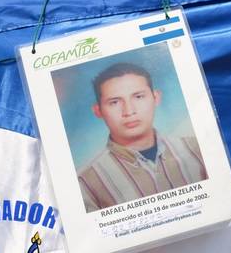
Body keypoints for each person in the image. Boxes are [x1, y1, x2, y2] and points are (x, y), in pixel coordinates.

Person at [78, 63, 207, 213]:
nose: (129, 111)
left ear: (156, 97)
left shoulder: (198, 149)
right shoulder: (86, 183)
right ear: (98, 111)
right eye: (114, 102)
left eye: (138, 97)